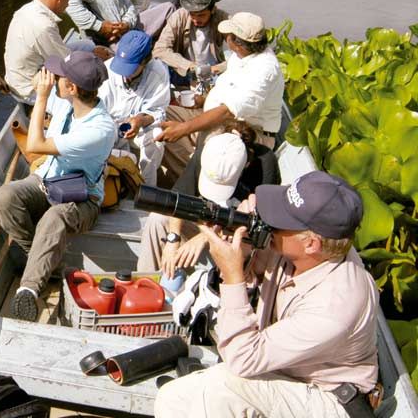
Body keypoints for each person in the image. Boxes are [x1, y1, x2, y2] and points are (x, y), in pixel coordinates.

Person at [154, 171, 379, 418]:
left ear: (311, 243)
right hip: (285, 370)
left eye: (281, 220)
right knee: (173, 398)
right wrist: (246, 242)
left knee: (222, 387)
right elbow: (254, 277)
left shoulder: (338, 303)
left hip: (331, 400)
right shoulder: (298, 252)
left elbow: (242, 359)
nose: (269, 221)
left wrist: (233, 275)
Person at [0, 51, 115, 321]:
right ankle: (45, 260)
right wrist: (34, 90)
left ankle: (29, 288)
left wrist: (44, 96)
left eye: (59, 77)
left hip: (83, 199)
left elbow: (35, 144)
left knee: (53, 217)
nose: (53, 79)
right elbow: (29, 94)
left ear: (71, 88)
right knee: (3, 198)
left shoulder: (99, 129)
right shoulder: (66, 102)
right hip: (47, 181)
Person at [137, 122, 280, 275]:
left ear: (246, 165)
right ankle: (147, 281)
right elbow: (179, 198)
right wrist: (173, 238)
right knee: (157, 219)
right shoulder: (210, 150)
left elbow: (261, 225)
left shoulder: (265, 166)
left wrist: (205, 237)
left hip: (239, 233)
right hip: (207, 221)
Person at [156, 12, 285, 173]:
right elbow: (229, 92)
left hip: (246, 131)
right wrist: (204, 100)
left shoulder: (264, 69)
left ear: (237, 43)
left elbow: (227, 112)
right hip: (218, 117)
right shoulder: (241, 56)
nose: (225, 37)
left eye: (227, 36)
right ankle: (190, 166)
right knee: (160, 115)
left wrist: (184, 128)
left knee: (183, 140)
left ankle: (195, 176)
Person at [3, 0, 88, 103]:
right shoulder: (44, 25)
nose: (67, 5)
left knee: (85, 46)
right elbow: (67, 63)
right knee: (88, 85)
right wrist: (95, 61)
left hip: (16, 80)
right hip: (29, 91)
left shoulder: (25, 9)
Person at [97, 30, 169, 185]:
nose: (125, 73)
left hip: (139, 129)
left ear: (146, 61)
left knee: (156, 137)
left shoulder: (158, 73)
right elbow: (96, 111)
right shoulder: (107, 69)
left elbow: (158, 112)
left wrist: (139, 120)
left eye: (130, 68)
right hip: (107, 127)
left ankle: (147, 188)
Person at [152, 0, 229, 84]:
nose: (196, 20)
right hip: (184, 70)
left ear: (213, 9)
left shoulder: (222, 18)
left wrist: (216, 68)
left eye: (201, 15)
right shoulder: (179, 16)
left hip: (213, 72)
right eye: (192, 14)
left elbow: (246, 52)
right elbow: (159, 50)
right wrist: (190, 66)